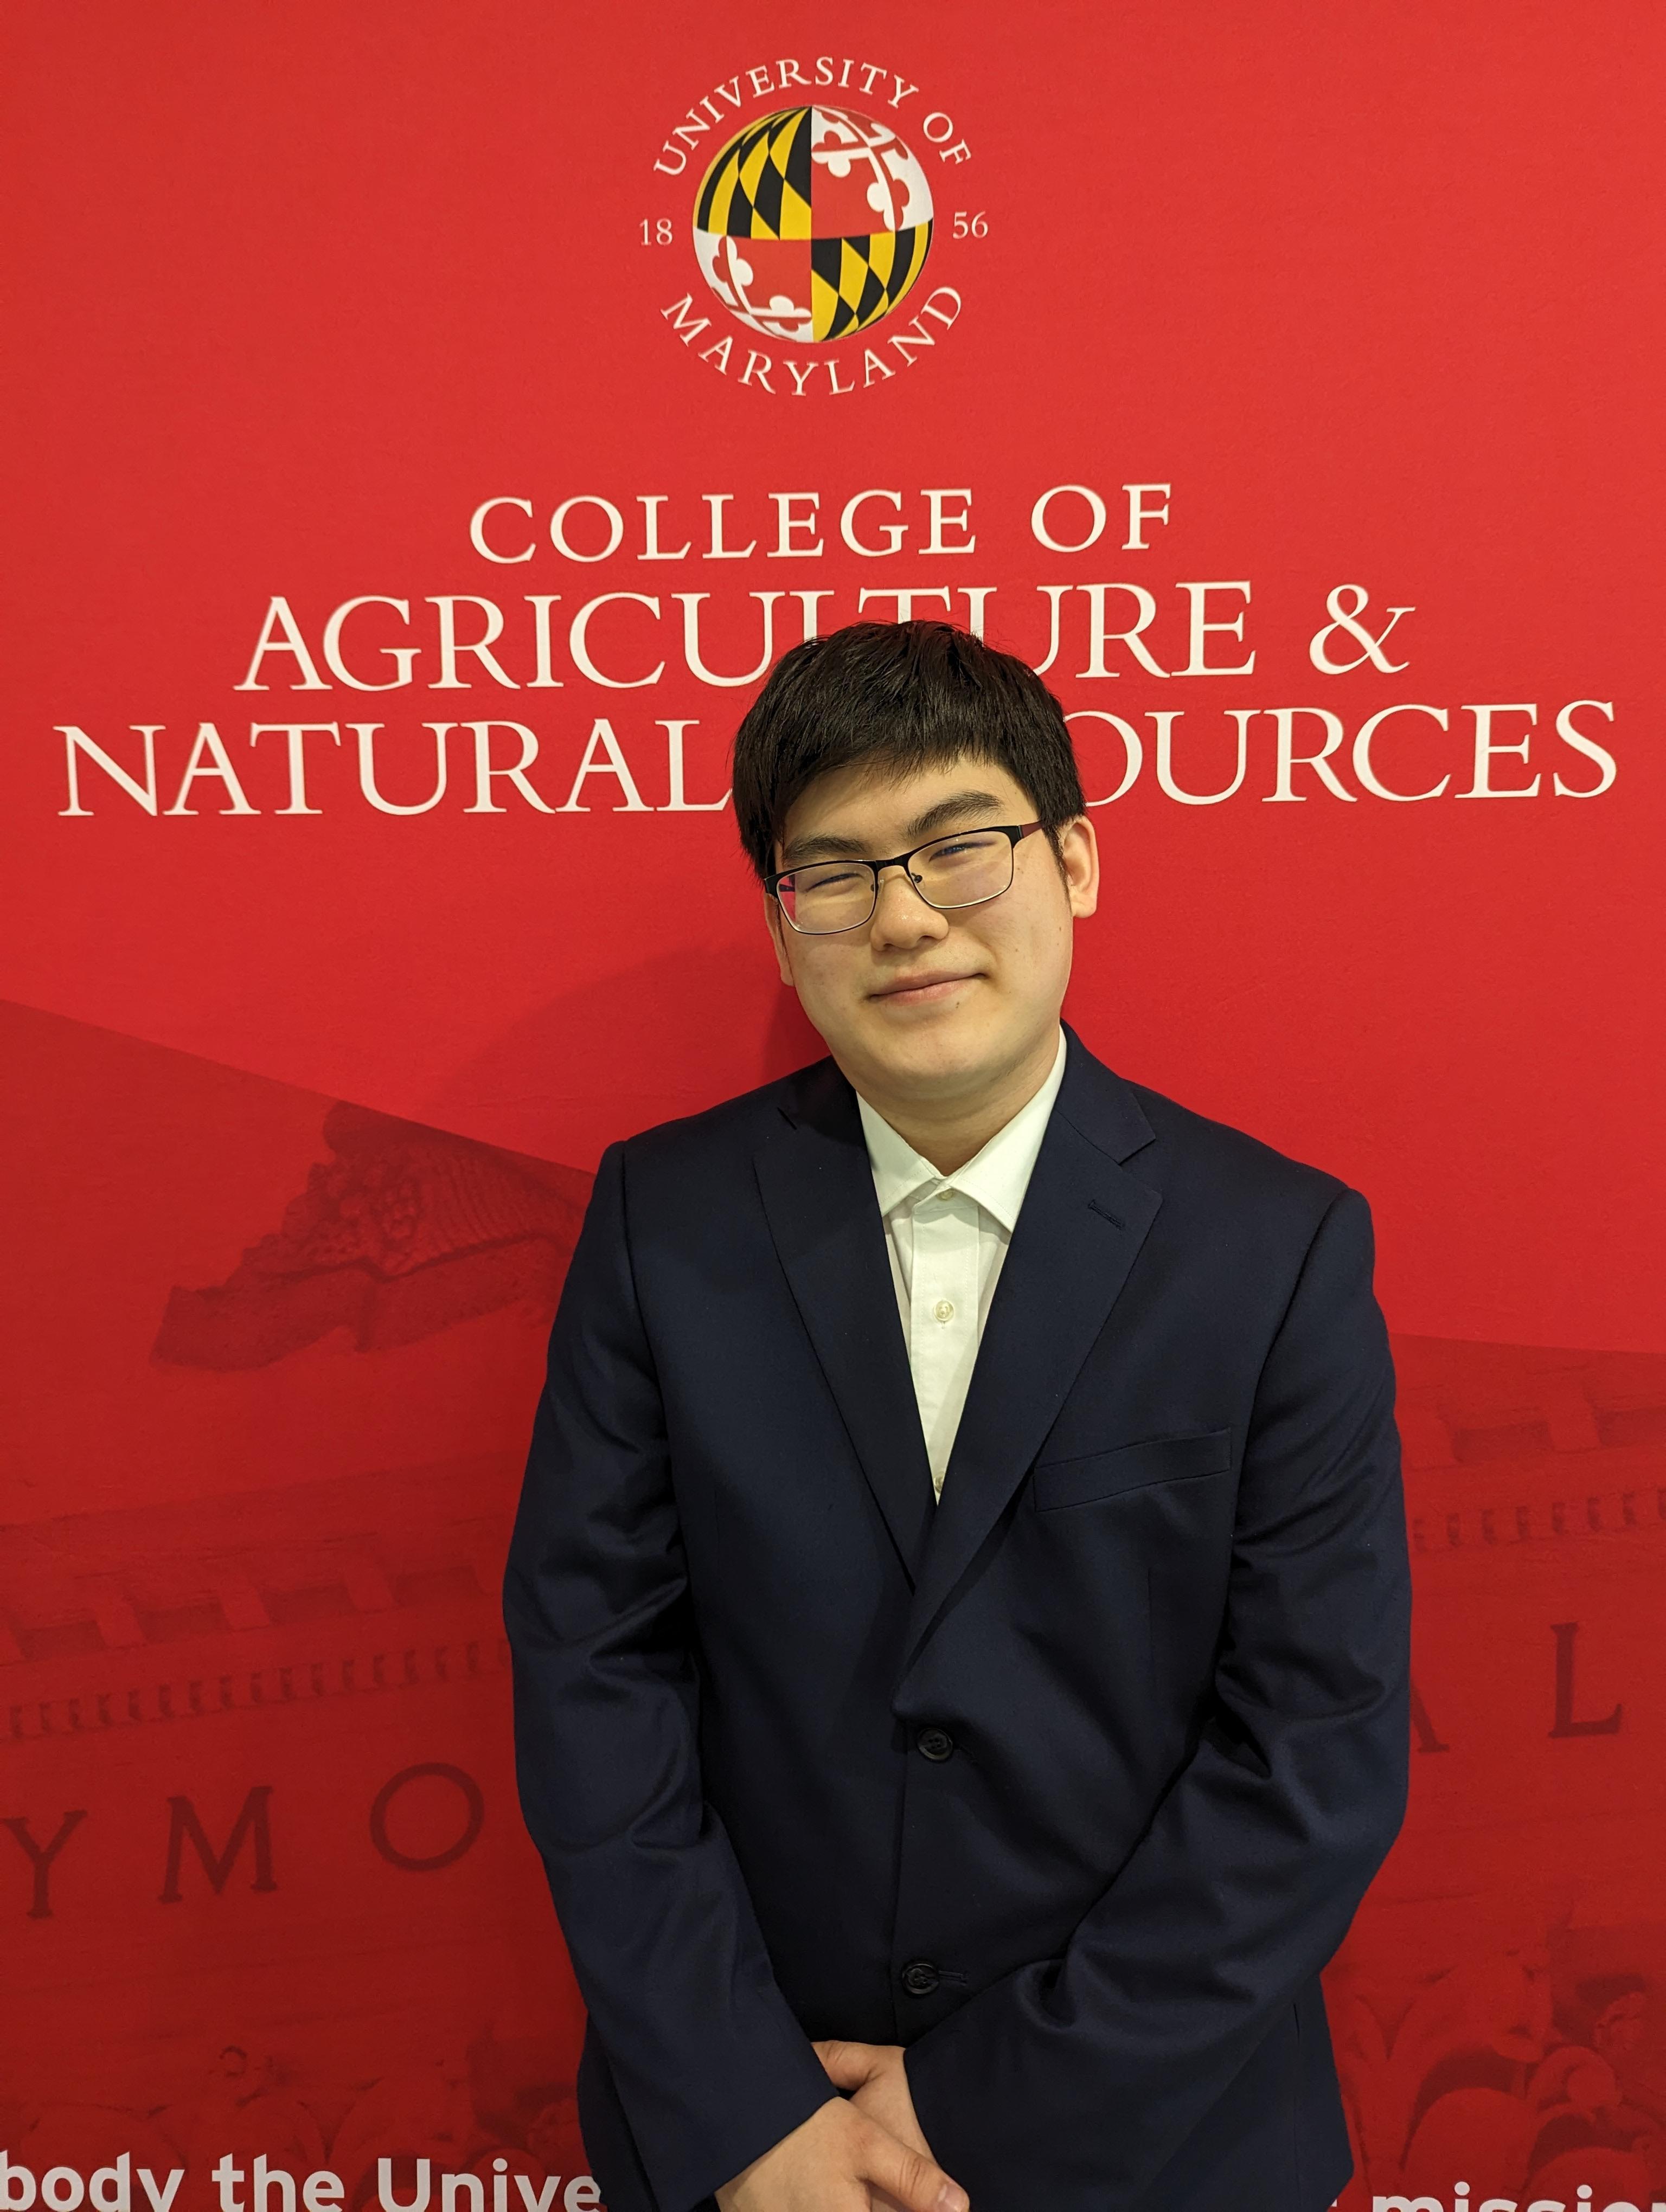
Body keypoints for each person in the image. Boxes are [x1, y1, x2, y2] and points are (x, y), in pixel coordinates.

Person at [503, 620, 1412, 2212]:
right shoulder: (667, 1219)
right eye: (836, 871)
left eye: (960, 848)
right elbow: (595, 1672)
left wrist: (973, 2106)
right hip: (751, 2140)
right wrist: (748, 2112)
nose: (905, 918)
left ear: (1075, 862)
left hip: (1159, 2138)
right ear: (785, 933)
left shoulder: (1277, 1250)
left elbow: (1311, 1753)